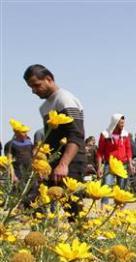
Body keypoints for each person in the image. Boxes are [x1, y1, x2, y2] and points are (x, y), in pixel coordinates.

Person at [23, 64, 86, 217]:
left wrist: (63, 164)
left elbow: (76, 135)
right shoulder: (44, 107)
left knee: (74, 211)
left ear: (49, 79)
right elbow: (49, 139)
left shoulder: (64, 99)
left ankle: (82, 238)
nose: (34, 90)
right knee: (36, 204)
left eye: (37, 85)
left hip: (70, 162)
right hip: (53, 163)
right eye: (31, 87)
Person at [96, 114, 133, 204]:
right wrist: (99, 167)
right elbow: (100, 152)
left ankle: (119, 210)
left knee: (122, 188)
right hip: (110, 165)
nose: (122, 125)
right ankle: (103, 208)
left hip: (122, 165)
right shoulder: (105, 134)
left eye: (123, 123)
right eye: (121, 123)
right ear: (115, 122)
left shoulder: (125, 134)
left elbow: (128, 150)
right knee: (106, 186)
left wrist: (130, 164)